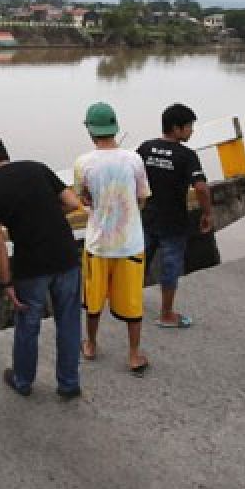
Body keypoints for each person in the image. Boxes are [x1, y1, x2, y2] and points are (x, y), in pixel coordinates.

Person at [0, 133, 83, 398]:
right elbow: (74, 203)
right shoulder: (36, 167)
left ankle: (23, 381)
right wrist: (48, 216)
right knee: (68, 322)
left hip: (32, 265)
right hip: (66, 257)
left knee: (28, 324)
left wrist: (6, 282)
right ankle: (68, 384)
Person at [73, 102, 151, 375]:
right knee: (132, 303)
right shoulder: (134, 159)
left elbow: (82, 197)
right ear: (115, 127)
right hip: (131, 243)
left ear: (90, 131)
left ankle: (91, 344)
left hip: (97, 244)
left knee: (92, 301)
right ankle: (133, 354)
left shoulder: (82, 163)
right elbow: (142, 196)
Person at [137, 103, 213, 328]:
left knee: (138, 263)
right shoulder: (187, 155)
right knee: (170, 268)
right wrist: (207, 212)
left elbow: (131, 176)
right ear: (176, 128)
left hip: (147, 218)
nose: (192, 131)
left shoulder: (145, 148)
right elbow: (201, 188)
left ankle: (127, 305)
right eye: (189, 126)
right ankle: (166, 315)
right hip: (173, 222)